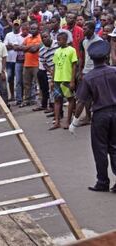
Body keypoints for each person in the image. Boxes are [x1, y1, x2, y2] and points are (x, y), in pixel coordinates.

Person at [70, 40, 116, 192]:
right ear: (106, 56)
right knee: (114, 148)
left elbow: (81, 102)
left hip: (101, 114)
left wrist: (75, 121)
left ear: (91, 58)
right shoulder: (114, 71)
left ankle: (102, 181)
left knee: (100, 149)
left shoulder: (89, 78)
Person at [50, 32, 78, 130]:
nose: (58, 42)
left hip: (66, 79)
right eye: (57, 40)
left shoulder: (72, 50)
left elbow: (74, 66)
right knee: (57, 100)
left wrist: (72, 80)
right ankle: (57, 121)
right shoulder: (57, 51)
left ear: (65, 40)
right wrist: (52, 80)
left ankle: (68, 120)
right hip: (58, 79)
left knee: (70, 100)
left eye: (60, 40)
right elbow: (54, 66)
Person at [79, 21, 102, 124]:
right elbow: (83, 57)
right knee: (86, 95)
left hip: (96, 70)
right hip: (86, 71)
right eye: (83, 28)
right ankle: (88, 116)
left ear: (92, 30)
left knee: (98, 94)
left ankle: (98, 116)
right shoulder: (84, 41)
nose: (83, 30)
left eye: (86, 29)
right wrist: (81, 71)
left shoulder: (98, 41)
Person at [36, 30, 59, 112]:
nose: (44, 39)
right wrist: (50, 71)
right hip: (51, 73)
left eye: (46, 37)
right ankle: (54, 110)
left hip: (61, 70)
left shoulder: (57, 44)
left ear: (50, 36)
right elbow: (44, 64)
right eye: (42, 38)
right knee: (52, 90)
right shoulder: (42, 50)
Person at [20, 22, 41, 107]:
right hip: (27, 64)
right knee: (26, 83)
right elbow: (20, 47)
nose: (32, 30)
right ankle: (27, 100)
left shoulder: (40, 38)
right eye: (31, 29)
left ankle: (40, 100)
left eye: (34, 28)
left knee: (38, 83)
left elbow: (34, 49)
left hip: (36, 64)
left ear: (38, 29)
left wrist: (26, 48)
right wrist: (29, 47)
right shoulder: (27, 38)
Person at [4, 20, 22, 102]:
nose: (16, 26)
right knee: (10, 78)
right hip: (9, 60)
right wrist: (13, 46)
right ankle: (12, 95)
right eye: (15, 25)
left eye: (17, 25)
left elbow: (22, 47)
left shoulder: (22, 35)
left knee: (19, 79)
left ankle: (21, 96)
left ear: (19, 26)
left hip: (19, 60)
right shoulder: (8, 35)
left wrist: (14, 46)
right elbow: (5, 46)